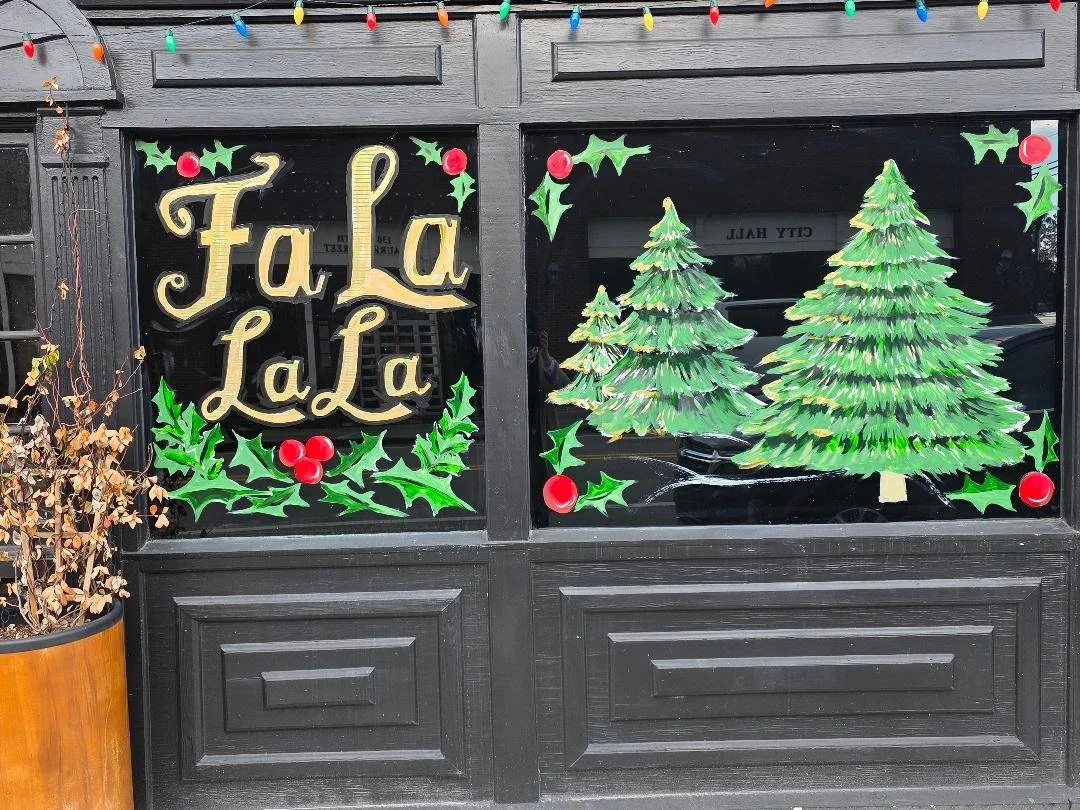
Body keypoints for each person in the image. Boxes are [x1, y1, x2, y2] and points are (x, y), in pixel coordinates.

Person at [527, 313, 569, 527]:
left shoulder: (541, 361)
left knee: (542, 486)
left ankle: (541, 527)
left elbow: (562, 387)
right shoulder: (507, 361)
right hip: (517, 437)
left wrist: (544, 355)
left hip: (540, 436)